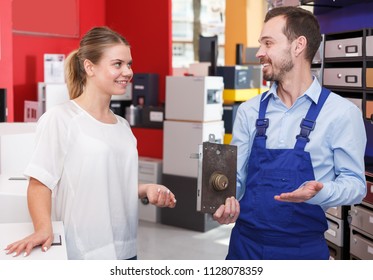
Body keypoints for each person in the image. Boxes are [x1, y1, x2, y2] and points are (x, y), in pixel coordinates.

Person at [5, 26, 176, 260]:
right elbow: (39, 183)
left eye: (129, 64)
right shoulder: (61, 119)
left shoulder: (122, 126)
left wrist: (145, 188)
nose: (128, 72)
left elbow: (110, 180)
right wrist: (43, 228)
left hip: (126, 249)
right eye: (118, 64)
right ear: (89, 67)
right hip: (84, 252)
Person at [213, 6, 367, 260]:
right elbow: (235, 178)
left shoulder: (341, 113)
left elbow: (355, 184)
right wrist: (221, 200)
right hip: (245, 247)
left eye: (268, 43)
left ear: (298, 46)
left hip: (302, 252)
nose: (259, 53)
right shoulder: (249, 111)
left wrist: (322, 191)